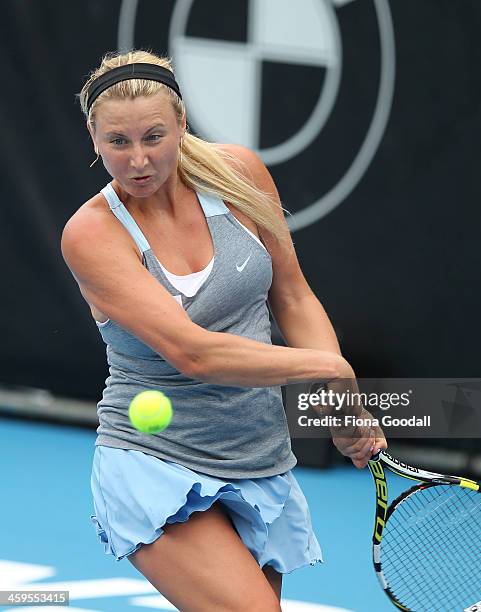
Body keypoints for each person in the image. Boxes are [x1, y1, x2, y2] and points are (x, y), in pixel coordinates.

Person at [61, 50, 387, 612]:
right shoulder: (91, 235)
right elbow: (194, 353)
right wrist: (331, 370)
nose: (138, 160)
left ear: (183, 124)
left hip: (258, 454)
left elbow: (292, 293)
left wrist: (337, 404)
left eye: (154, 136)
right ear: (94, 138)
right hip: (155, 460)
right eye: (118, 142)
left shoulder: (238, 174)